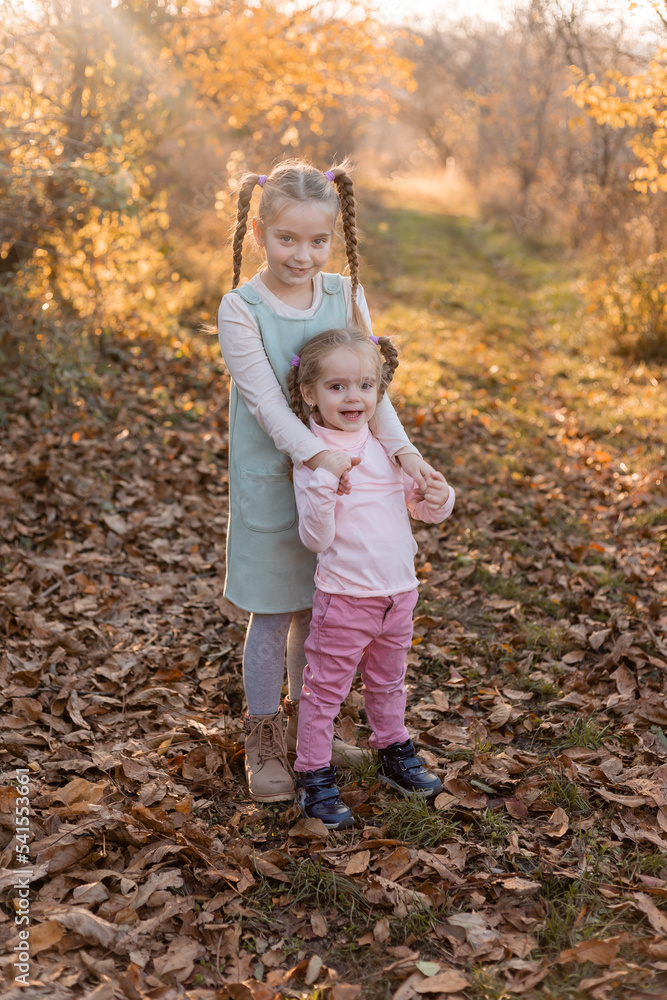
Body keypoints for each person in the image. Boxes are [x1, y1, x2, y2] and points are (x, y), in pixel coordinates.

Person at [218, 159, 438, 804]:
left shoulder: (345, 294)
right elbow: (268, 404)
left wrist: (404, 455)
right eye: (287, 238)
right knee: (273, 609)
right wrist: (317, 458)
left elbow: (374, 391)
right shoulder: (241, 308)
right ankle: (263, 738)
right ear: (259, 232)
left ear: (334, 238)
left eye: (318, 241)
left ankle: (304, 726)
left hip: (349, 485)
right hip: (274, 476)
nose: (303, 255)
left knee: (320, 609)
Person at [287, 327, 455, 830]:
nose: (352, 397)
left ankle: (392, 750)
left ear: (379, 391)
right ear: (309, 393)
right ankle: (313, 774)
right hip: (345, 597)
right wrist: (326, 482)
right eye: (336, 386)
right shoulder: (314, 454)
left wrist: (439, 497)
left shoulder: (386, 444)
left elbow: (420, 508)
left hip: (399, 592)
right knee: (325, 692)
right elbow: (315, 537)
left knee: (389, 681)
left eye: (364, 385)